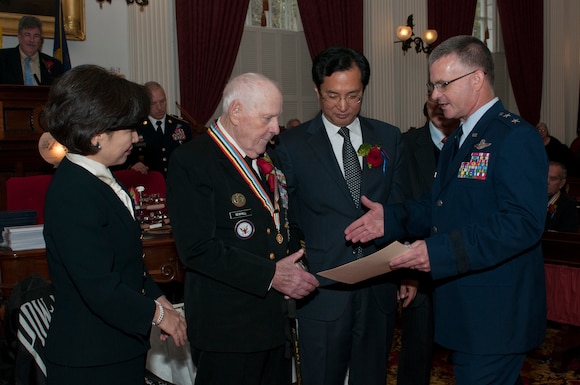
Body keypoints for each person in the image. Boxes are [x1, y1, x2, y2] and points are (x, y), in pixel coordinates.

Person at [345, 35, 548, 385]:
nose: (435, 94)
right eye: (432, 84)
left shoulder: (514, 137)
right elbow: (439, 205)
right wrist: (391, 218)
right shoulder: (460, 137)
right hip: (467, 312)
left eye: (443, 84)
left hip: (496, 316)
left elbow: (522, 224)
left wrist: (437, 253)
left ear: (476, 80)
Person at [166, 72, 319, 385]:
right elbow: (196, 249)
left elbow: (279, 221)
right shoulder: (193, 161)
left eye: (276, 118)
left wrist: (297, 260)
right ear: (235, 112)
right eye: (267, 118)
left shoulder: (267, 155)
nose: (276, 129)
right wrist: (271, 274)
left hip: (273, 322)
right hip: (227, 330)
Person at [276, 46, 414, 385]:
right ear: (317, 90)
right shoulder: (290, 145)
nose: (342, 106)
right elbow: (284, 218)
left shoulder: (389, 138)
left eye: (353, 96)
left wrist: (407, 268)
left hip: (378, 286)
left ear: (364, 89)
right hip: (322, 289)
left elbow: (402, 209)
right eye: (332, 96)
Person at [42, 65, 187, 385]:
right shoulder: (73, 192)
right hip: (90, 359)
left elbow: (127, 264)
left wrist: (159, 299)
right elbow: (99, 287)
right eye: (129, 129)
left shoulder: (101, 175)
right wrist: (158, 315)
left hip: (118, 348)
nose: (137, 137)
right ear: (97, 135)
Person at [396, 93, 459, 385]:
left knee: (468, 353)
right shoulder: (405, 145)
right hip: (417, 274)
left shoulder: (470, 143)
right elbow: (401, 208)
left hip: (463, 263)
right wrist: (407, 271)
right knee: (416, 352)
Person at [124, 81, 193, 178]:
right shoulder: (135, 129)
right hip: (149, 183)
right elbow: (123, 159)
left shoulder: (181, 126)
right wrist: (132, 166)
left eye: (162, 101)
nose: (159, 107)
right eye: (153, 104)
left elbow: (191, 158)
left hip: (177, 183)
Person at [0, 16, 65, 85]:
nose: (31, 40)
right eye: (27, 35)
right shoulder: (2, 59)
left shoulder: (55, 65)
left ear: (40, 39)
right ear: (19, 37)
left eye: (36, 36)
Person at [546, 161, 579, 232]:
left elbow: (568, 236)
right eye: (545, 176)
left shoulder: (568, 205)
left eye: (553, 179)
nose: (547, 182)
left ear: (562, 183)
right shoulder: (529, 200)